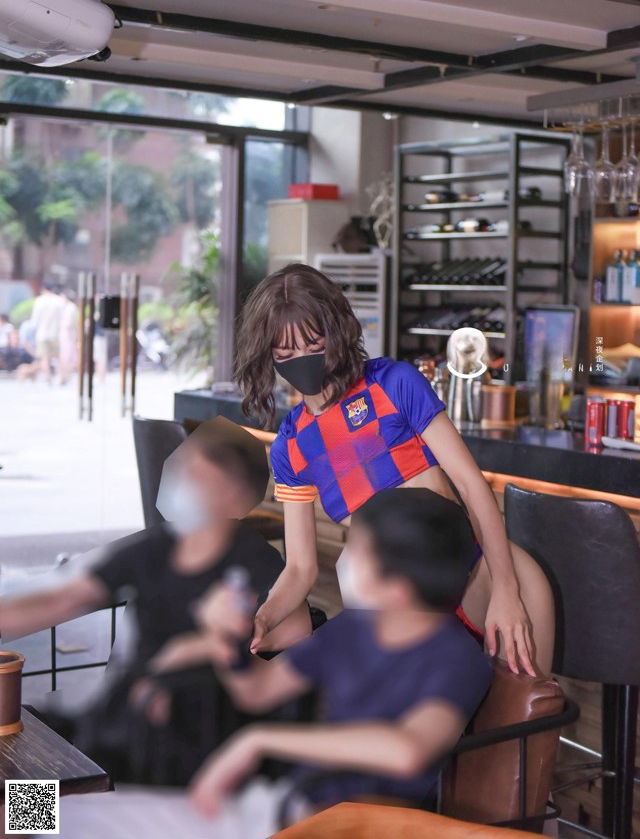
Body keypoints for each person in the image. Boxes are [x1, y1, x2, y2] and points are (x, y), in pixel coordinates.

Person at [53, 487, 494, 839]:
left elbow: (407, 749)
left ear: (397, 585)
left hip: (335, 824)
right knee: (32, 806)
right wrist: (229, 636)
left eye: (357, 548)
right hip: (274, 807)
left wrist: (260, 741)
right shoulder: (352, 630)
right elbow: (258, 689)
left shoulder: (455, 658)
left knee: (55, 818)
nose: (344, 560)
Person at [234, 263, 554, 676]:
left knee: (525, 728)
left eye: (313, 344)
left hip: (484, 575)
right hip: (393, 604)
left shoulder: (393, 384)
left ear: (335, 332)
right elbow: (300, 567)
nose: (302, 360)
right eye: (286, 353)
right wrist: (265, 616)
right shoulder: (290, 447)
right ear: (268, 356)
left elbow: (473, 489)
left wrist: (507, 591)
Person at [0, 417, 311, 787]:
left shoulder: (251, 561)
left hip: (178, 736)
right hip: (121, 715)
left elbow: (298, 629)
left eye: (197, 477)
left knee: (36, 799)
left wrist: (207, 644)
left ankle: (51, 818)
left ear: (232, 494)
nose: (180, 484)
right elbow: (68, 596)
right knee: (17, 747)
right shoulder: (159, 546)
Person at [30, 282, 63, 383]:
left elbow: (34, 320)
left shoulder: (39, 301)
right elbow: (63, 318)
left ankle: (47, 377)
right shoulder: (59, 301)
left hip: (42, 334)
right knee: (57, 357)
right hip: (56, 333)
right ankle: (60, 376)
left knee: (44, 357)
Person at [58, 289, 79, 385]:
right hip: (66, 334)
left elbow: (69, 323)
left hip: (68, 335)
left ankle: (66, 375)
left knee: (67, 356)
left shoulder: (70, 307)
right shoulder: (67, 307)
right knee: (66, 356)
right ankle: (64, 376)